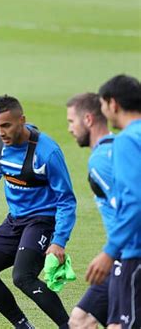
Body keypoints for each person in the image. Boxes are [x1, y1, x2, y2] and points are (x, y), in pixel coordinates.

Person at [0, 95, 76, 329]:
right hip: (15, 219)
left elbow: (66, 200)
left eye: (6, 125)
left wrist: (59, 241)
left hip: (43, 220)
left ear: (22, 121)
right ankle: (23, 326)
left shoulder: (47, 152)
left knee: (22, 277)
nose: (0, 132)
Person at [86, 74, 141, 329]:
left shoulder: (127, 140)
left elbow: (135, 201)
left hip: (135, 253)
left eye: (103, 105)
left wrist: (110, 251)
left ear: (113, 104)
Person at [65, 93, 121, 329]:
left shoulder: (101, 161)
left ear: (87, 119)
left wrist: (109, 253)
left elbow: (131, 211)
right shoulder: (120, 147)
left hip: (127, 256)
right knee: (81, 320)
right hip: (121, 254)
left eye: (71, 121)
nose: (69, 129)